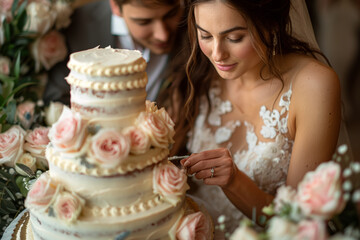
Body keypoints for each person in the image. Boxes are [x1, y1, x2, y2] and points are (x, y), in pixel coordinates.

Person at [166, 0, 343, 233]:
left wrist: (235, 182)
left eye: (234, 38)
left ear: (270, 25)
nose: (218, 54)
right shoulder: (198, 74)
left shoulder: (313, 86)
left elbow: (299, 221)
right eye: (205, 36)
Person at [43, 0, 188, 106]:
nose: (162, 35)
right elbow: (56, 99)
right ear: (115, 6)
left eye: (171, 14)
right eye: (144, 22)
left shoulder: (192, 19)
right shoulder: (77, 25)